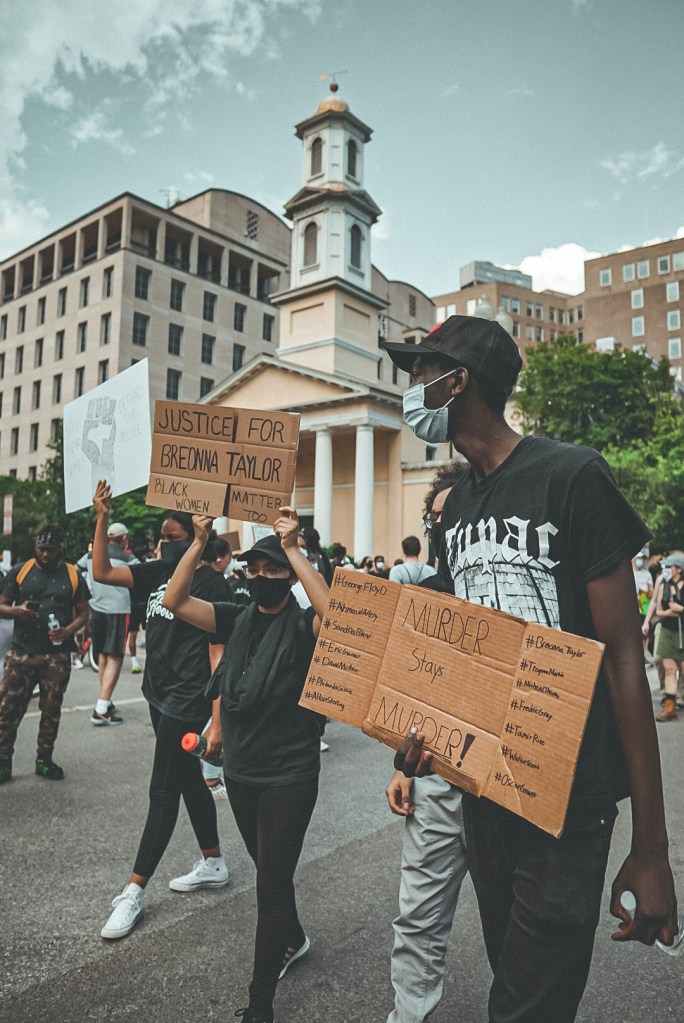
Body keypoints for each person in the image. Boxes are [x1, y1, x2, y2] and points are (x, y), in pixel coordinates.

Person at [385, 314, 677, 1023]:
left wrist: (651, 846)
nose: (410, 388)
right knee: (515, 979)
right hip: (484, 796)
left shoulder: (572, 475)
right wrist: (420, 736)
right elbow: (459, 660)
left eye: (420, 373)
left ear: (457, 382)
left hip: (568, 803)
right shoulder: (456, 509)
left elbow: (624, 663)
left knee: (522, 1006)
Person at [162, 508, 329, 1023]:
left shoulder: (303, 624)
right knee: (269, 870)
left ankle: (260, 1003)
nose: (260, 577)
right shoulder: (235, 617)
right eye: (253, 569)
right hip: (242, 771)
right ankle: (293, 937)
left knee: (270, 887)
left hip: (290, 774)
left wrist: (294, 548)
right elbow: (174, 601)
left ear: (290, 575)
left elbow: (339, 618)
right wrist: (198, 541)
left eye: (272, 569)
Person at [91, 482, 229, 941]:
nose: (163, 544)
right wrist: (102, 516)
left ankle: (134, 891)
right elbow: (102, 572)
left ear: (193, 538)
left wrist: (217, 721)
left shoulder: (211, 583)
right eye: (161, 538)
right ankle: (213, 861)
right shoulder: (155, 573)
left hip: (188, 700)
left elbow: (218, 657)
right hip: (157, 693)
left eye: (173, 538)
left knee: (163, 791)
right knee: (188, 779)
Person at [385, 464, 467, 1023]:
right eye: (433, 518)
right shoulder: (428, 596)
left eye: (452, 515)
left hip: (504, 787)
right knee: (418, 915)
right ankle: (409, 1013)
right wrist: (402, 768)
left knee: (516, 918)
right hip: (435, 779)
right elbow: (411, 689)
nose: (441, 527)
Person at [0, 526, 90, 783]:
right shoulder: (21, 571)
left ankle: (44, 760)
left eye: (50, 550)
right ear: (35, 547)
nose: (45, 554)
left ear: (60, 549)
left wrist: (68, 630)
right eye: (41, 549)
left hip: (57, 656)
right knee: (7, 711)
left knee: (51, 710)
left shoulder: (73, 575)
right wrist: (17, 611)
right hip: (21, 654)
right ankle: (3, 762)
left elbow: (84, 613)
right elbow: (1, 606)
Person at [78, 521, 139, 725]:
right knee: (115, 656)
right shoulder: (129, 558)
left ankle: (105, 699)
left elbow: (77, 570)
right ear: (124, 538)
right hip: (119, 610)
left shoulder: (91, 555)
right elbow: (143, 577)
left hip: (97, 608)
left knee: (103, 654)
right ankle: (101, 708)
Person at [653, 553, 684, 722]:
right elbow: (658, 610)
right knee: (670, 669)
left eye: (669, 566)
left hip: (683, 631)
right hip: (668, 631)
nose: (666, 569)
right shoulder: (663, 584)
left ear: (679, 569)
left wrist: (681, 609)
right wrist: (668, 613)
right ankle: (670, 707)